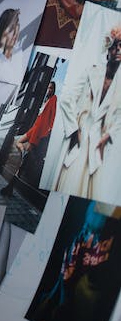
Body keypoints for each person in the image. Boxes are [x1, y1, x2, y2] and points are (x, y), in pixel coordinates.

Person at [55, 25, 121, 202]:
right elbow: (66, 99)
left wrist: (107, 137)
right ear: (108, 48)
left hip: (98, 145)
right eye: (115, 45)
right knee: (68, 184)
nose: (118, 50)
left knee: (88, 196)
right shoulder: (92, 71)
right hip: (80, 135)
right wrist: (73, 130)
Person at [1, 81, 57, 197]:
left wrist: (47, 130)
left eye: (51, 88)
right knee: (19, 142)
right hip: (33, 129)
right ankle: (24, 153)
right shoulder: (45, 101)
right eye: (48, 88)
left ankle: (10, 187)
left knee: (22, 164)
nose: (49, 90)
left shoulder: (54, 99)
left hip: (38, 133)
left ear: (54, 90)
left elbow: (51, 118)